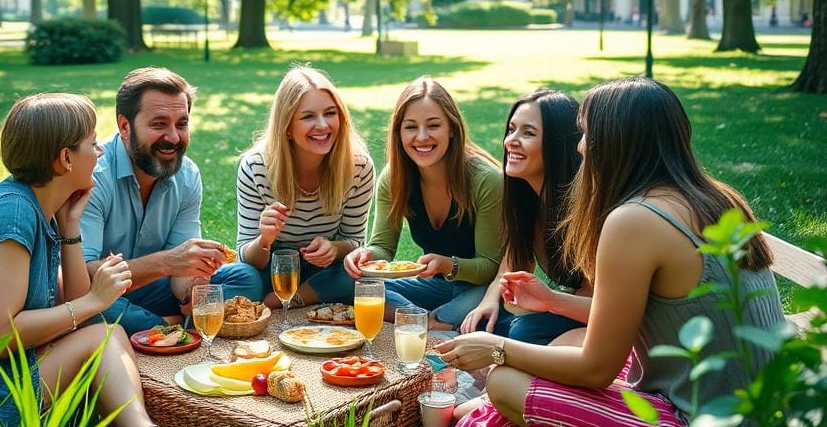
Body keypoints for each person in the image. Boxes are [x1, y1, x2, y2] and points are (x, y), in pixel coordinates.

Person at [437, 77, 785, 427]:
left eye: (587, 134)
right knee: (566, 340)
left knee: (503, 381)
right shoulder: (713, 196)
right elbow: (642, 318)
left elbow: (597, 369)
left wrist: (495, 348)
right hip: (767, 421)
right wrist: (552, 301)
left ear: (617, 141)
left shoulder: (634, 220)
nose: (580, 146)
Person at [0, 94, 222, 427]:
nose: (102, 153)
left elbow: (79, 304)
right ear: (65, 158)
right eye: (93, 144)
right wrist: (94, 301)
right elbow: (2, 332)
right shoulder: (11, 215)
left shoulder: (44, 207)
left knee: (106, 331)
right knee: (103, 333)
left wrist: (70, 225)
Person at [80, 67, 261, 335]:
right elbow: (82, 277)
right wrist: (166, 262)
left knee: (246, 278)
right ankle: (169, 327)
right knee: (95, 308)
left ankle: (162, 326)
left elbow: (182, 267)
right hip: (101, 296)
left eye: (182, 124)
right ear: (124, 126)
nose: (174, 137)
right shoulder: (93, 176)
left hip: (153, 290)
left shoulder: (186, 175)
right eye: (159, 124)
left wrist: (192, 290)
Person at [344, 77, 503, 329]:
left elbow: (490, 267)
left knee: (486, 295)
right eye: (410, 127)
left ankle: (423, 320)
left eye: (433, 125)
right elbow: (383, 247)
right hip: (436, 287)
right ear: (399, 132)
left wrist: (449, 265)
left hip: (482, 289)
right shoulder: (394, 178)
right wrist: (366, 254)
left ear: (452, 128)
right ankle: (434, 321)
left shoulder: (486, 180)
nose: (421, 137)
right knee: (358, 284)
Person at [459, 90, 590, 346]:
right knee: (488, 323)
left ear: (557, 143)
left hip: (606, 324)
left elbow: (608, 310)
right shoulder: (528, 200)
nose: (511, 141)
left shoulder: (583, 209)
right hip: (565, 307)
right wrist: (488, 302)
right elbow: (510, 268)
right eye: (512, 129)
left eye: (528, 133)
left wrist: (550, 300)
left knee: (523, 331)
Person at [237, 66, 374, 306]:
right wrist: (265, 239)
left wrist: (333, 248)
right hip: (273, 271)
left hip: (326, 272)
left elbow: (355, 241)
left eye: (330, 113)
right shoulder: (256, 167)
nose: (322, 125)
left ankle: (288, 301)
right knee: (244, 278)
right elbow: (247, 258)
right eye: (308, 116)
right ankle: (290, 297)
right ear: (287, 126)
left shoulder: (358, 167)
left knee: (359, 273)